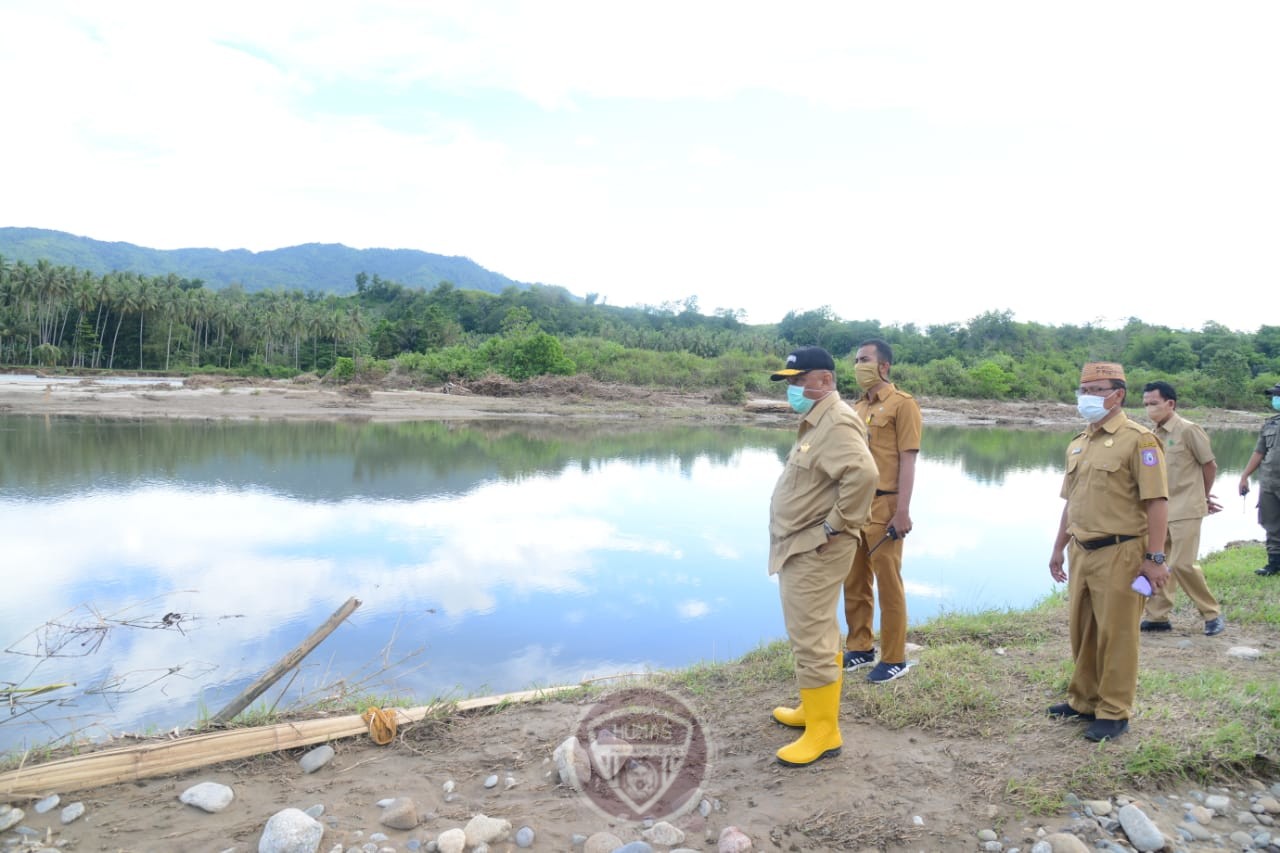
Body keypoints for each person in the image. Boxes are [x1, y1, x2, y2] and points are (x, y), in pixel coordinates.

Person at [767, 346, 878, 766]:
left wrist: (832, 527)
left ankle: (824, 732)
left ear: (825, 380)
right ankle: (813, 712)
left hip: (817, 547)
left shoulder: (836, 421)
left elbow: (864, 475)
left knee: (810, 633)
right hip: (803, 545)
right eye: (790, 382)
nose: (792, 389)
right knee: (815, 630)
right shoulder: (818, 419)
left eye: (798, 380)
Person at [1047, 362, 1169, 742]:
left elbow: (1157, 502)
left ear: (1118, 394)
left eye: (1097, 389)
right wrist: (1058, 546)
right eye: (1084, 388)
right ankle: (1083, 700)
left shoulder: (1140, 440)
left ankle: (1114, 711)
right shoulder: (1080, 441)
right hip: (1081, 550)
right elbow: (1071, 501)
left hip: (1121, 551)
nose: (1088, 396)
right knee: (1082, 629)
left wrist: (1155, 558)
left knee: (1117, 634)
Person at [842, 338, 921, 684]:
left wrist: (902, 511)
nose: (859, 366)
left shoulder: (904, 405)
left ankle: (894, 658)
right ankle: (860, 646)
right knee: (854, 580)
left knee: (888, 584)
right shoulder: (856, 408)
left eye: (865, 360)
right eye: (857, 360)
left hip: (885, 504)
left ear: (884, 366)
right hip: (854, 506)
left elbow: (908, 459)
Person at [1138, 381, 1225, 635]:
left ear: (1170, 404)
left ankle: (1212, 614)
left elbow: (1210, 465)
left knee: (1183, 564)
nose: (1149, 409)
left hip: (1187, 507)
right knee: (1156, 561)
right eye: (1145, 404)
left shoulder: (1189, 430)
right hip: (1158, 510)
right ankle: (1157, 616)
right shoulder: (1150, 436)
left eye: (1154, 403)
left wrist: (1203, 495)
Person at [1239, 382, 1280, 577]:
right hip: (1269, 482)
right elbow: (1259, 452)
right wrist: (1245, 476)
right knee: (1271, 523)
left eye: (1277, 395)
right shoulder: (1270, 424)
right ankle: (1274, 564)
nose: (1275, 399)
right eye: (1275, 396)